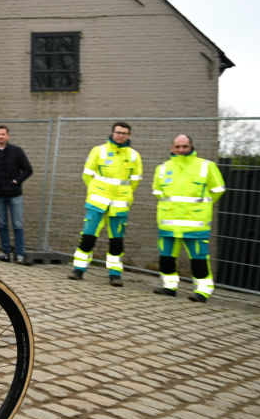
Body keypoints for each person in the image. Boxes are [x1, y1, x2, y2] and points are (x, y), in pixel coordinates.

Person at [152, 135, 226, 302]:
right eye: (178, 146)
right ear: (172, 147)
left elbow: (218, 190)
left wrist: (200, 207)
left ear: (191, 146)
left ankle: (203, 291)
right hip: (168, 222)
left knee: (199, 259)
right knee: (167, 257)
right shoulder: (163, 168)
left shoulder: (207, 166)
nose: (181, 150)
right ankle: (169, 287)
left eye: (185, 146)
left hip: (195, 223)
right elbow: (158, 192)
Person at [68, 122, 142, 286]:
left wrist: (124, 195)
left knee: (117, 241)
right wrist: (97, 191)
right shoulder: (98, 151)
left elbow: (135, 181)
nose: (120, 135)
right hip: (97, 202)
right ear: (112, 133)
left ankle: (115, 275)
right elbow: (87, 175)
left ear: (128, 135)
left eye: (124, 133)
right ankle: (78, 270)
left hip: (120, 204)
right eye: (118, 132)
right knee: (88, 236)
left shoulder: (134, 156)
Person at [0, 125, 32, 264]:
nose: (0, 136)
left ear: (8, 136)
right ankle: (5, 253)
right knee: (2, 224)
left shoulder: (17, 151)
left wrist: (17, 181)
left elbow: (28, 170)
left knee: (17, 225)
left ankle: (20, 254)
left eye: (3, 134)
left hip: (15, 194)